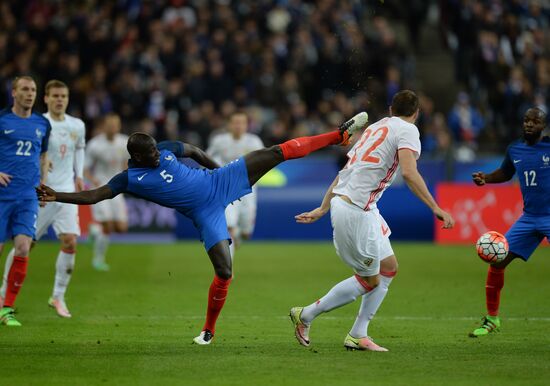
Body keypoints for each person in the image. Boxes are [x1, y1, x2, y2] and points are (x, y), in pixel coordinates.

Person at [36, 112, 368, 345]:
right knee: (225, 271)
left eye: (156, 148)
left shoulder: (164, 149)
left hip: (219, 180)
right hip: (204, 212)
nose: (157, 153)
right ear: (135, 155)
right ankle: (208, 331)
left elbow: (193, 151)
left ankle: (337, 136)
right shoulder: (129, 179)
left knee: (274, 151)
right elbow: (95, 196)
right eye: (150, 152)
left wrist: (221, 172)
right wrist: (58, 195)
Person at [290, 90, 455, 351]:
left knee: (389, 267)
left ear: (391, 109)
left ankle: (358, 334)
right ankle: (306, 315)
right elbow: (410, 173)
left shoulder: (376, 127)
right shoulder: (408, 130)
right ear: (417, 113)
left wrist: (323, 207)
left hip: (360, 206)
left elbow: (347, 170)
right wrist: (435, 207)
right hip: (355, 210)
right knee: (370, 280)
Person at [0, 80, 85, 318]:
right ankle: (3, 293)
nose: (60, 100)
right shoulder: (36, 122)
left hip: (59, 192)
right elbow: (42, 154)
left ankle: (57, 296)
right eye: (55, 95)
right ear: (46, 98)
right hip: (29, 193)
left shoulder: (74, 125)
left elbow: (78, 149)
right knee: (26, 244)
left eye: (64, 96)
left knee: (68, 241)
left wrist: (79, 175)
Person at [469, 107, 549, 337]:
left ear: (543, 126)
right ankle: (492, 319)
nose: (529, 124)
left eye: (535, 121)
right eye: (526, 120)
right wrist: (486, 178)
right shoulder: (515, 149)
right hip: (529, 218)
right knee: (497, 261)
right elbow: (505, 173)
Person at [0, 76, 51, 326]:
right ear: (14, 93)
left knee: (22, 247)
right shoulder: (2, 120)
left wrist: (42, 184)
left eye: (33, 90)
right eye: (24, 89)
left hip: (27, 195)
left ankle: (6, 308)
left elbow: (43, 156)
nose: (30, 94)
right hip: (1, 196)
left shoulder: (42, 124)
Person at [207, 112, 264, 255]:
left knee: (246, 233)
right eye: (235, 122)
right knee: (229, 226)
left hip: (248, 190)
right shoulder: (220, 141)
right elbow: (206, 158)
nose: (238, 126)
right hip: (227, 189)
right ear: (229, 125)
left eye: (242, 123)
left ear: (246, 125)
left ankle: (240, 233)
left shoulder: (254, 142)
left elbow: (264, 162)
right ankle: (227, 270)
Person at [84, 113, 129, 271]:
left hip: (117, 188)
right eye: (110, 125)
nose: (113, 128)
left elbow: (126, 163)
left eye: (115, 125)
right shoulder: (95, 145)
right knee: (107, 227)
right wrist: (92, 180)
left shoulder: (124, 142)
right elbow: (85, 169)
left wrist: (127, 175)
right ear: (104, 126)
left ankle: (94, 231)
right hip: (101, 187)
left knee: (122, 228)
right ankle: (98, 260)